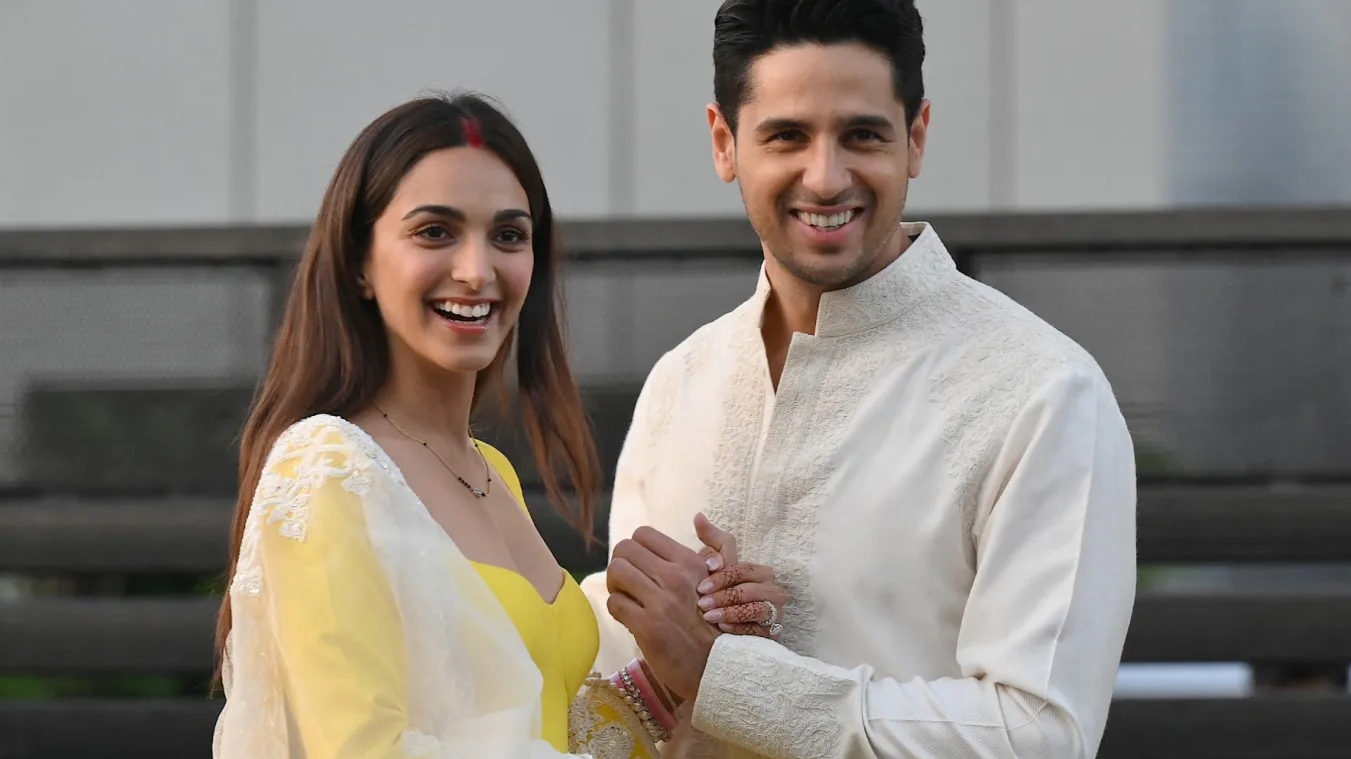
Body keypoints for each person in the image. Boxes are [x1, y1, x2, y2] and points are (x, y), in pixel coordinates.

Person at [579, 1, 1138, 758]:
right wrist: (674, 654)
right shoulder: (681, 384)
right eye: (785, 136)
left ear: (915, 138)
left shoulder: (1040, 392)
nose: (825, 175)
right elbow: (620, 695)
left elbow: (1040, 732)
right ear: (724, 142)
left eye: (861, 135)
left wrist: (726, 674)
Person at [211, 93, 783, 759]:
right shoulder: (326, 467)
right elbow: (363, 748)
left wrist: (702, 656)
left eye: (508, 235)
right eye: (435, 231)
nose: (476, 270)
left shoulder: (491, 471)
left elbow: (547, 731)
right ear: (360, 262)